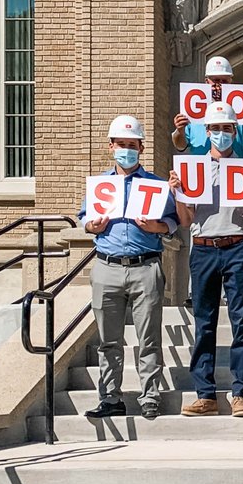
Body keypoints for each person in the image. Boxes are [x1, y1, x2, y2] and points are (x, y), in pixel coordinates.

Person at [79, 115, 178, 420]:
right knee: (108, 340)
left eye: (132, 145)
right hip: (107, 265)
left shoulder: (157, 185)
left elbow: (173, 224)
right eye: (121, 144)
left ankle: (150, 396)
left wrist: (156, 225)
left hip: (145, 266)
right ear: (111, 146)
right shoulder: (100, 185)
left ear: (141, 147)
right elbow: (84, 218)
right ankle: (110, 398)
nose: (126, 150)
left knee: (148, 338)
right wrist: (91, 225)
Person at [171, 101, 243, 419]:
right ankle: (205, 393)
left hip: (237, 245)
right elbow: (185, 220)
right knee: (204, 323)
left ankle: (240, 392)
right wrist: (179, 195)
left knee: (241, 323)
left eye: (227, 128)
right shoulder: (194, 169)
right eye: (216, 128)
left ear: (234, 131)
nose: (221, 134)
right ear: (206, 131)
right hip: (204, 247)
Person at [172, 56, 243, 157]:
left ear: (231, 81)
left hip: (234, 169)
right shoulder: (193, 110)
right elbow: (180, 146)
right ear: (207, 81)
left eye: (224, 81)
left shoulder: (242, 110)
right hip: (201, 169)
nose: (220, 85)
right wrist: (180, 130)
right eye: (215, 80)